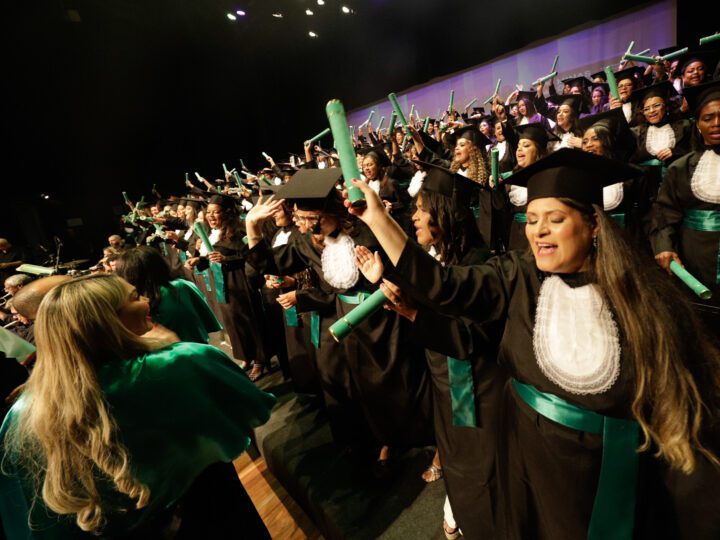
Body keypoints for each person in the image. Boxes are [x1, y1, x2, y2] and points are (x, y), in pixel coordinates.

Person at [344, 148, 720, 540]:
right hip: (524, 456)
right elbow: (445, 286)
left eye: (554, 220)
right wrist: (377, 217)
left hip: (602, 474)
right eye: (533, 218)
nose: (537, 230)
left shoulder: (643, 298)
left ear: (594, 225)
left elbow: (681, 420)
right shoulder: (518, 275)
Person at [0, 274, 276, 538]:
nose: (146, 300)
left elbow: (30, 516)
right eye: (134, 297)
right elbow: (254, 407)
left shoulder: (22, 412)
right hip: (212, 512)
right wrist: (172, 347)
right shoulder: (180, 361)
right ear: (104, 318)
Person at [359, 160, 504, 539]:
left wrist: (410, 311)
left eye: (423, 210)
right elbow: (424, 291)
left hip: (476, 386)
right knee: (454, 445)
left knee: (477, 454)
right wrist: (387, 284)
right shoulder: (437, 258)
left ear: (446, 215)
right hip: (444, 378)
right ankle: (459, 500)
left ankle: (476, 513)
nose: (416, 218)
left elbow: (468, 339)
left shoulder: (479, 264)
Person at [650, 80, 720, 335]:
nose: (715, 123)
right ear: (698, 125)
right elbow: (664, 213)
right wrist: (664, 247)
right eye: (708, 118)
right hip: (695, 258)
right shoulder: (681, 167)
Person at [185, 193, 269, 381]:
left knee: (247, 319)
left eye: (216, 212)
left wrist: (227, 259)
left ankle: (260, 360)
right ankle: (246, 356)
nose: (211, 216)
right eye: (208, 213)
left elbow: (251, 258)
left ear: (227, 213)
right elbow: (211, 257)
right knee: (232, 321)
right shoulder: (211, 233)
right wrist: (198, 259)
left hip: (239, 280)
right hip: (220, 281)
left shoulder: (238, 231)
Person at [115, 246, 222, 344]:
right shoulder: (181, 286)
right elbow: (206, 319)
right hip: (196, 350)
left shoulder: (128, 303)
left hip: (158, 357)